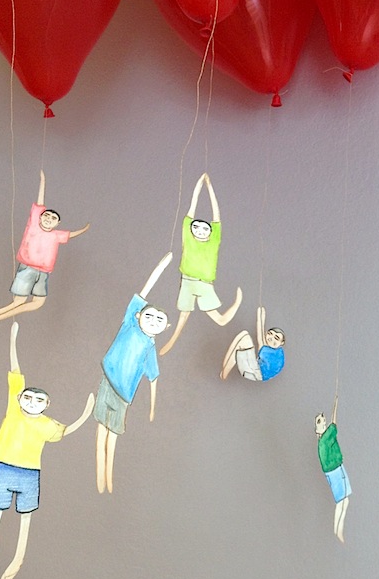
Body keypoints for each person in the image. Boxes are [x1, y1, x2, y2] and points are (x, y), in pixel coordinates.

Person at [0, 322, 94, 579]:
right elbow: (16, 371)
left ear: (47, 404)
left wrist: (85, 414)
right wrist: (13, 338)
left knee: (25, 516)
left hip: (29, 472)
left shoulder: (47, 425)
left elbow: (64, 431)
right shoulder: (14, 409)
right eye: (27, 398)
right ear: (19, 398)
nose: (32, 402)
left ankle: (18, 558)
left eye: (39, 400)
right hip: (3, 467)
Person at [95, 253, 172, 494]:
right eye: (149, 316)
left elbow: (153, 378)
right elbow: (145, 290)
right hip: (107, 382)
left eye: (159, 320)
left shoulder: (150, 348)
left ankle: (109, 479)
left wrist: (152, 408)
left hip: (124, 396)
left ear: (165, 327)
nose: (153, 321)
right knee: (101, 431)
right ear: (137, 315)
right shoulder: (129, 323)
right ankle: (99, 478)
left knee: (113, 435)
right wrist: (161, 266)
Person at [0, 170, 90, 323]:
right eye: (46, 215)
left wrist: (85, 228)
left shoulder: (56, 235)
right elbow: (40, 202)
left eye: (53, 218)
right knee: (18, 301)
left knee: (38, 303)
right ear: (39, 217)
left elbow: (70, 234)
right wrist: (43, 182)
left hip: (43, 272)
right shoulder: (34, 225)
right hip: (28, 268)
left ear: (57, 223)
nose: (49, 219)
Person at [160, 173, 242, 356]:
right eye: (196, 227)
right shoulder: (188, 239)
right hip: (187, 280)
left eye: (205, 228)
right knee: (184, 314)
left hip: (205, 284)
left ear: (211, 232)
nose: (200, 230)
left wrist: (210, 187)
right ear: (190, 229)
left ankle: (236, 304)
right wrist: (198, 184)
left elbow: (216, 216)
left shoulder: (213, 241)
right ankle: (172, 340)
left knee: (219, 319)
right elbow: (192, 207)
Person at [315, 397, 352, 543]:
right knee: (342, 501)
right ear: (317, 428)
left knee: (344, 501)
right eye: (320, 422)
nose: (324, 423)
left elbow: (333, 425)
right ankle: (338, 529)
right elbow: (334, 424)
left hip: (337, 469)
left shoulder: (323, 440)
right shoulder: (324, 440)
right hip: (335, 471)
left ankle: (338, 528)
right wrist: (335, 406)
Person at [220, 306, 284, 382]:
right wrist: (260, 314)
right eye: (270, 334)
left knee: (244, 337)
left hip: (254, 373)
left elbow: (260, 333)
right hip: (255, 371)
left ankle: (224, 373)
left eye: (276, 338)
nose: (271, 338)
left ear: (282, 342)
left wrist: (260, 314)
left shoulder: (267, 350)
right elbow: (261, 331)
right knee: (244, 336)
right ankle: (224, 370)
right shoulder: (275, 350)